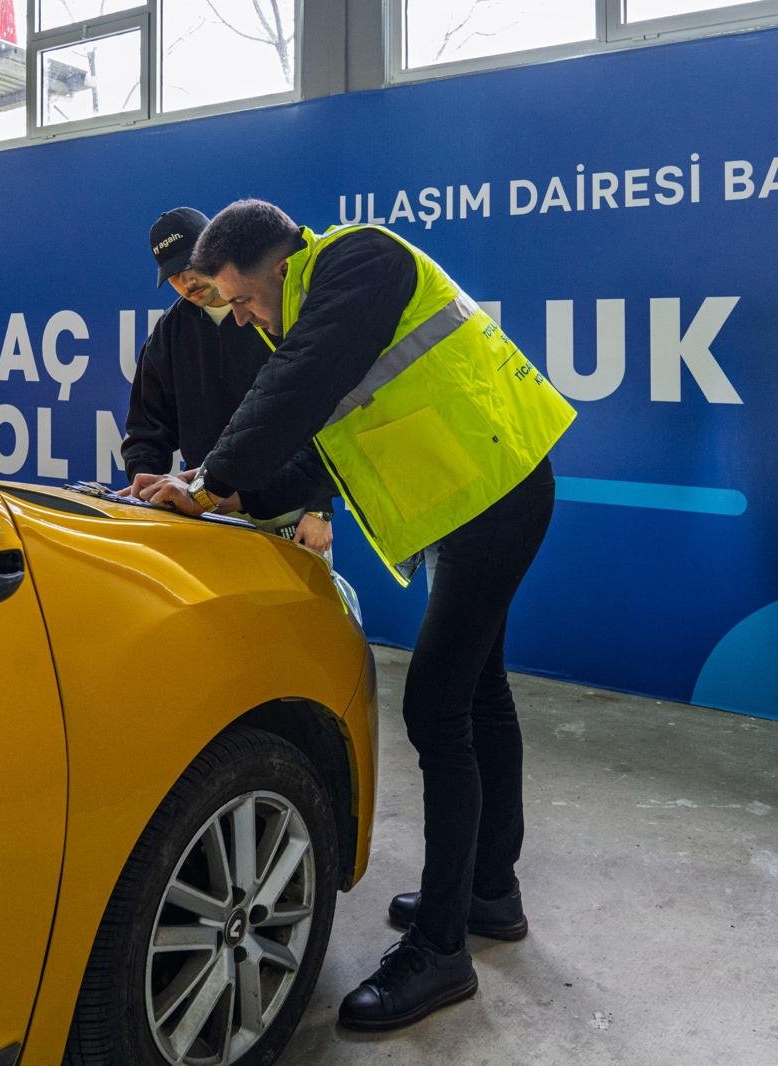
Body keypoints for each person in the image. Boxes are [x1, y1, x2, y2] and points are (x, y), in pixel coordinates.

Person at [134, 199, 576, 1032]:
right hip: (477, 497)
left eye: (241, 299)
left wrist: (207, 481)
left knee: (435, 709)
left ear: (274, 263)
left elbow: (294, 386)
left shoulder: (358, 262)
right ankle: (489, 892)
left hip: (498, 495)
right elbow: (316, 454)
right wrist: (218, 498)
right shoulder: (311, 309)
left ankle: (441, 953)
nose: (243, 317)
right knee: (479, 698)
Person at [124, 207, 334, 554]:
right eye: (174, 274)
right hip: (209, 511)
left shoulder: (281, 310)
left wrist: (319, 506)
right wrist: (148, 498)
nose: (187, 282)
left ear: (216, 255)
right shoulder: (169, 333)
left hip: (288, 512)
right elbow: (146, 430)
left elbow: (322, 414)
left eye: (191, 266)